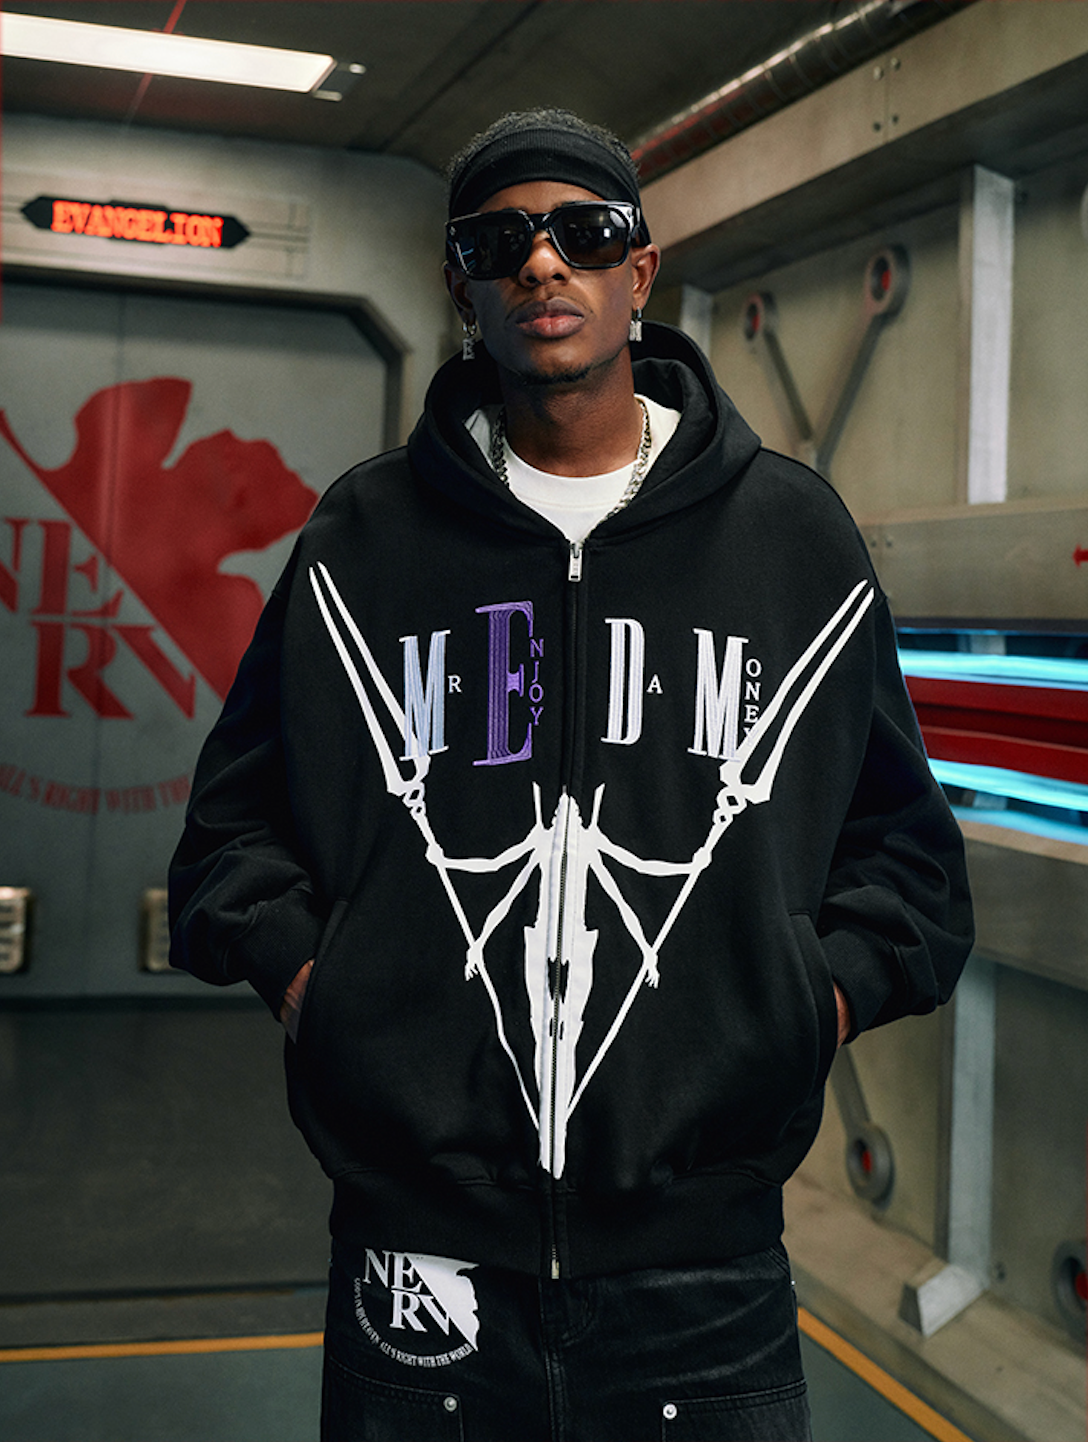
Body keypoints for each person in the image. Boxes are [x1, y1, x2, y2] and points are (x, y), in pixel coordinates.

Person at [169, 107, 973, 1442]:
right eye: (501, 242)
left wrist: (800, 1007)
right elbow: (228, 833)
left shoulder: (789, 539)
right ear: (463, 287)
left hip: (705, 1267)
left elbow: (910, 863)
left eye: (584, 234)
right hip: (416, 1258)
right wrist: (329, 991)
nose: (543, 264)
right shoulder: (363, 540)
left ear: (639, 271)